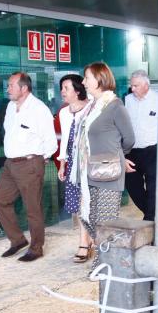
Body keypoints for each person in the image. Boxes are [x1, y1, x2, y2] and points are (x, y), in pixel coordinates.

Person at [75, 61, 135, 268]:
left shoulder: (115, 106)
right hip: (90, 171)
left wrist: (118, 155)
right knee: (89, 217)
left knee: (105, 222)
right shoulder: (92, 107)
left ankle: (104, 265)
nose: (83, 82)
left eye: (87, 78)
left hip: (109, 172)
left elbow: (129, 139)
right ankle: (111, 256)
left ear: (100, 80)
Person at [0, 72, 57, 262]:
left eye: (11, 85)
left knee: (32, 208)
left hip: (29, 163)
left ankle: (36, 248)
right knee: (0, 201)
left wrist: (39, 159)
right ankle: (17, 240)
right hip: (10, 164)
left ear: (24, 88)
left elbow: (51, 141)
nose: (8, 88)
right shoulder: (11, 107)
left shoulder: (39, 109)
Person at [123, 69, 158, 221]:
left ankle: (149, 221)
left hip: (153, 151)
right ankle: (153, 216)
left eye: (136, 86)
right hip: (132, 151)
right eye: (132, 85)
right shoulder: (127, 100)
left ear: (146, 85)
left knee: (154, 187)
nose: (132, 89)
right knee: (132, 186)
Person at [56, 74, 93, 263]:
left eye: (66, 88)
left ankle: (87, 241)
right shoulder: (63, 112)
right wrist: (62, 164)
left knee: (88, 201)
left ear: (77, 90)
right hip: (72, 163)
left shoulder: (91, 108)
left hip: (88, 161)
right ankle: (84, 241)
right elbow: (64, 141)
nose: (62, 92)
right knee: (78, 203)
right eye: (62, 88)